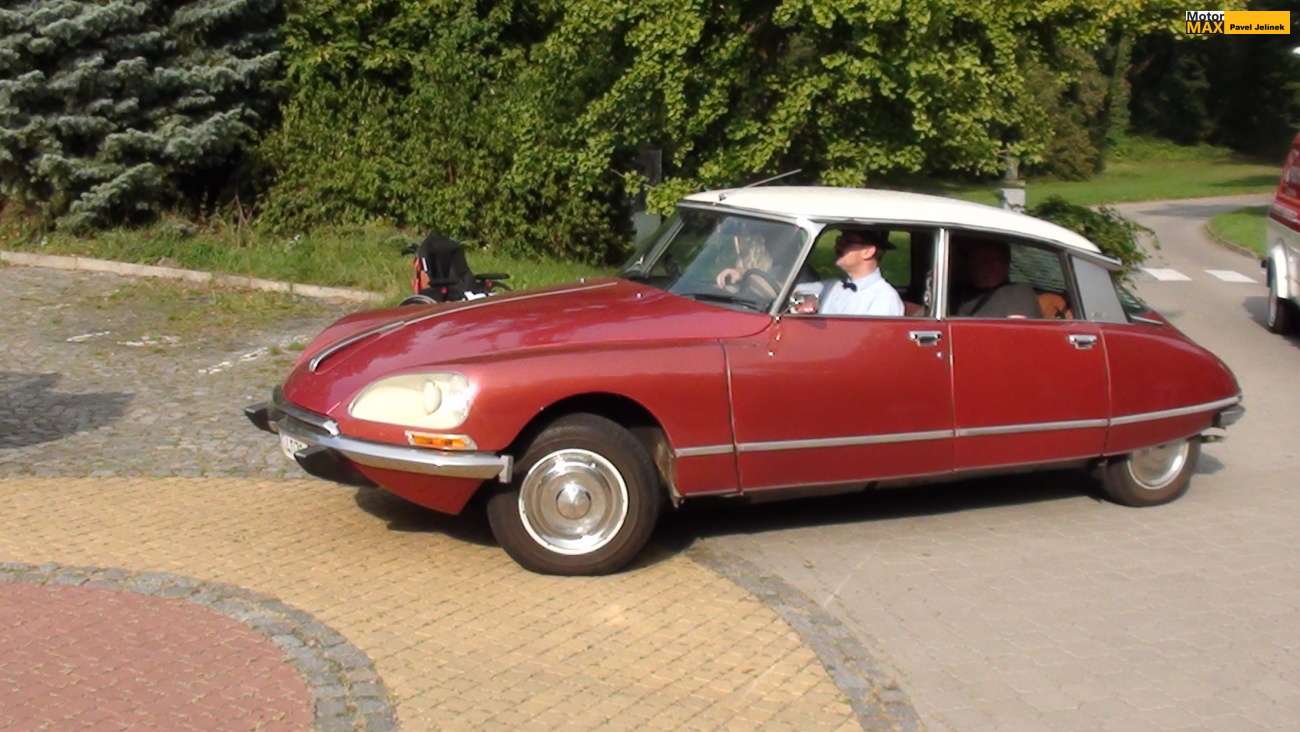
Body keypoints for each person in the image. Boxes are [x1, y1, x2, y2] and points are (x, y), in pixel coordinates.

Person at [791, 229, 904, 317]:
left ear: (868, 252)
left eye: (847, 242)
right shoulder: (832, 285)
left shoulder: (885, 298)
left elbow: (871, 339)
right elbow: (789, 294)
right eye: (839, 240)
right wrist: (800, 304)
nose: (837, 246)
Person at [952, 238, 1040, 319]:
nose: (988, 265)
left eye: (995, 259)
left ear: (1006, 263)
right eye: (981, 259)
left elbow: (1017, 328)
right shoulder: (956, 294)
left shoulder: (1018, 292)